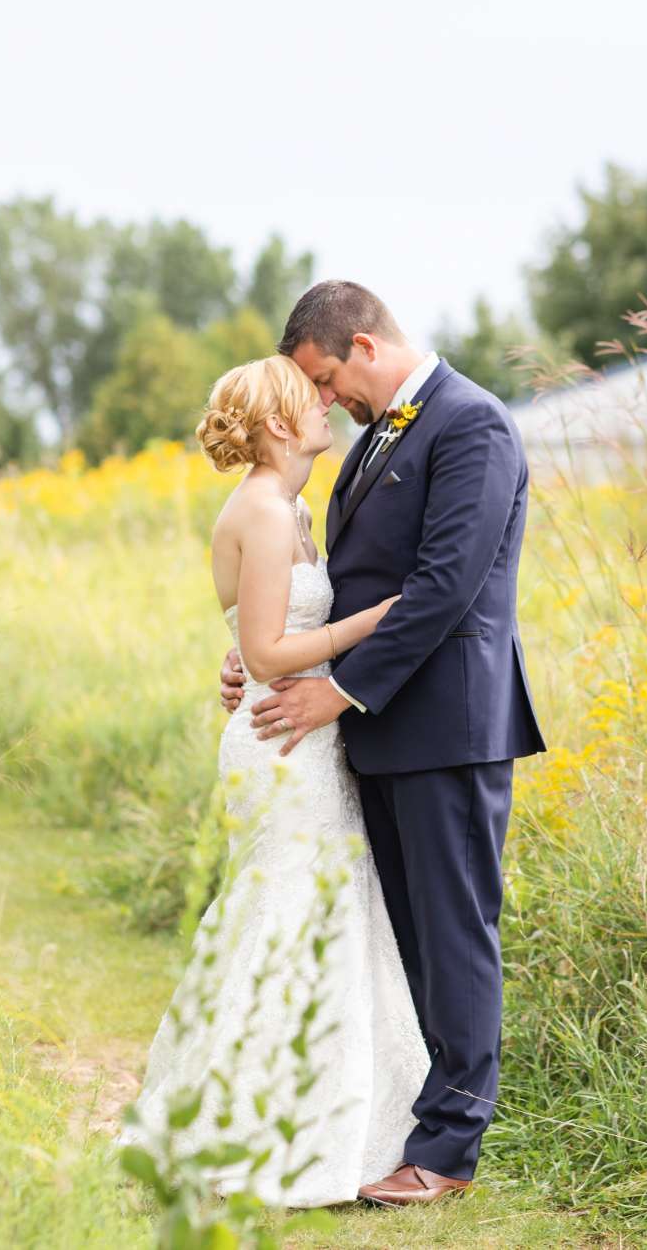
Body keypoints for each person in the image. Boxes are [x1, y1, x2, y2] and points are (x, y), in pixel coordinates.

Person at [221, 280, 546, 1206]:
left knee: (454, 933)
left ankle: (447, 1152)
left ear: (362, 346)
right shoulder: (376, 441)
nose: (323, 403)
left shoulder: (472, 423)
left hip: (448, 726)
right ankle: (405, 1118)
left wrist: (336, 690)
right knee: (406, 936)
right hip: (379, 731)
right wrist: (262, 663)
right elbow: (341, 586)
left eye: (325, 380)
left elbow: (443, 587)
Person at [121, 353, 427, 1208]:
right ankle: (237, 1125)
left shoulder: (292, 507)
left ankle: (330, 1116)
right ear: (282, 425)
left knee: (325, 912)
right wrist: (373, 621)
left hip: (307, 737)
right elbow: (263, 651)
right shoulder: (258, 508)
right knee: (281, 910)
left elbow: (258, 638)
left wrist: (273, 656)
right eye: (311, 399)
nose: (328, 403)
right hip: (278, 749)